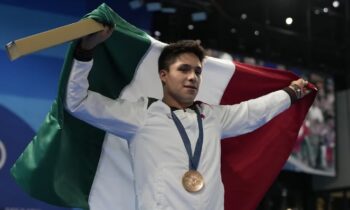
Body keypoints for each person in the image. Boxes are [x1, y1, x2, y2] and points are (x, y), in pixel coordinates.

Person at [64, 26, 310, 210]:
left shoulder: (212, 117)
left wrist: (290, 93)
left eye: (197, 71)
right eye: (184, 69)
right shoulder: (140, 115)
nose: (193, 77)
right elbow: (78, 101)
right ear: (163, 75)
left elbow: (253, 112)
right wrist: (85, 51)